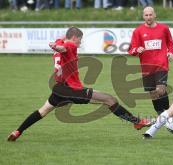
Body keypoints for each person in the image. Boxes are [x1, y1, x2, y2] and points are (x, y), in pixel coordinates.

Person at [7, 27, 152, 142]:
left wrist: (56, 44)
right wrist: (56, 46)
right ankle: (137, 122)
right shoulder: (69, 45)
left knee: (42, 111)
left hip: (59, 89)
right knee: (110, 99)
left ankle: (18, 131)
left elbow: (61, 43)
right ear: (74, 38)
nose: (80, 43)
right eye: (79, 40)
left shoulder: (61, 43)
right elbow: (63, 47)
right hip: (72, 89)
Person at [128, 6, 173, 115]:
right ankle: (161, 115)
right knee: (153, 93)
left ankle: (168, 113)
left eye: (150, 14)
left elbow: (170, 43)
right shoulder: (138, 31)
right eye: (146, 15)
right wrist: (137, 49)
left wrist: (171, 52)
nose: (148, 17)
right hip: (147, 67)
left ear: (154, 15)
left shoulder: (164, 28)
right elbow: (131, 49)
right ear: (143, 16)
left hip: (161, 65)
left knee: (161, 90)